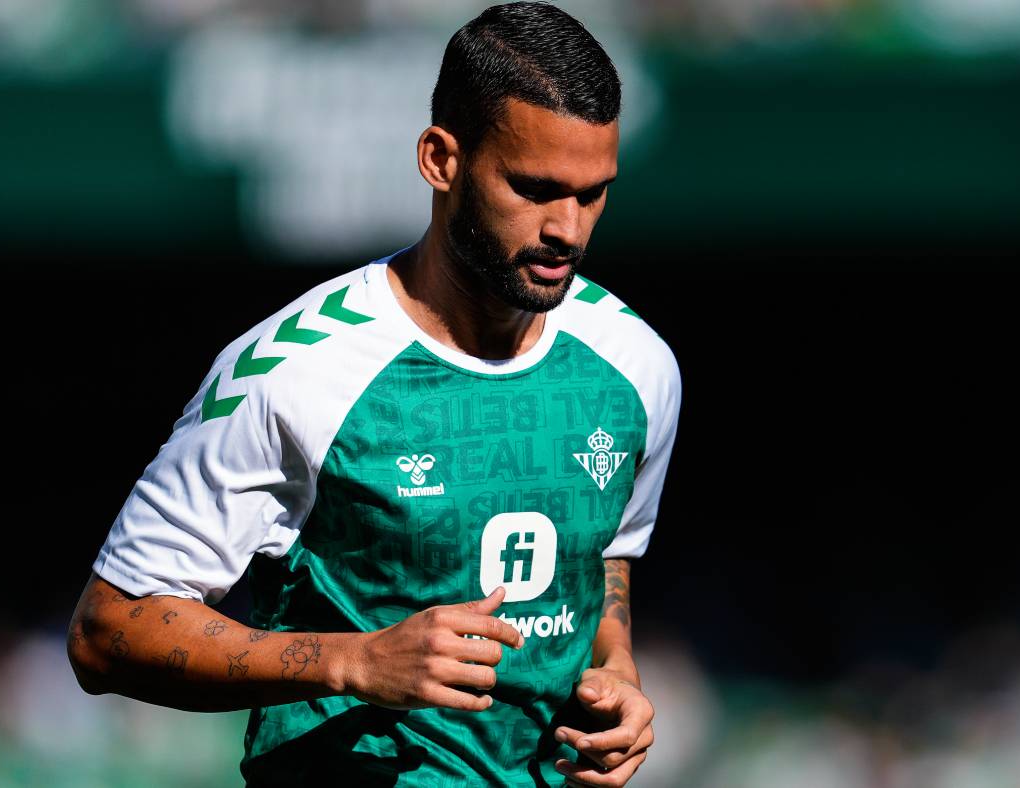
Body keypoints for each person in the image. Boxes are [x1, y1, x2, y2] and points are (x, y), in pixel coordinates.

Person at [65, 3, 681, 786]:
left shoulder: (636, 365)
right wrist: (353, 661)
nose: (568, 228)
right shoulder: (292, 372)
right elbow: (106, 632)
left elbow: (605, 558)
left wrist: (615, 668)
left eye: (593, 194)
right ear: (440, 159)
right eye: (534, 188)